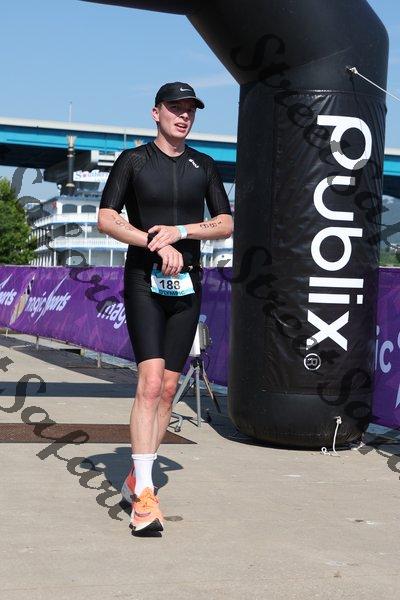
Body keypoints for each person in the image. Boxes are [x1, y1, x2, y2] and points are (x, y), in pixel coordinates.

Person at [98, 82, 233, 534]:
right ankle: (145, 496)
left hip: (188, 283)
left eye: (190, 109)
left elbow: (225, 222)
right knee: (151, 382)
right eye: (175, 107)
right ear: (156, 112)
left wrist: (182, 231)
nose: (184, 115)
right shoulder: (133, 161)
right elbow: (106, 218)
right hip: (144, 280)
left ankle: (138, 475)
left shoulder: (204, 165)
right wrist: (155, 242)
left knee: (170, 387)